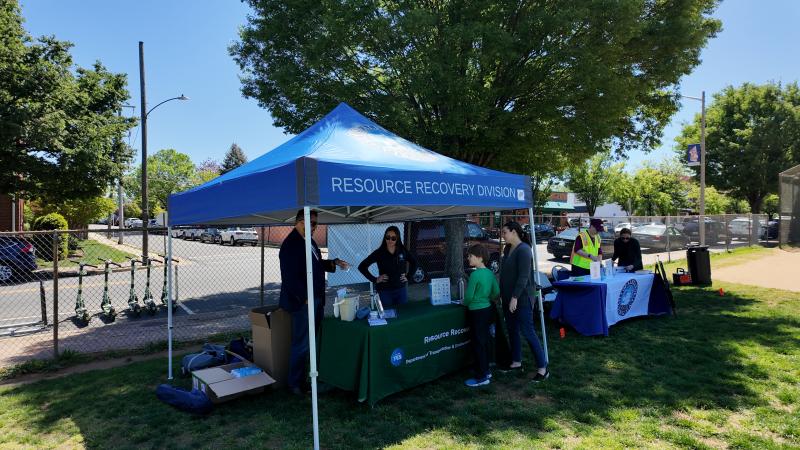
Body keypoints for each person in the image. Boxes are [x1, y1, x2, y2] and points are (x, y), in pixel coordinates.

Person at [279, 209, 349, 396]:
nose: (314, 227)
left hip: (315, 300)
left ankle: (307, 380)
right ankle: (295, 384)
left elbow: (316, 265)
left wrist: (334, 262)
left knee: (310, 343)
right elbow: (289, 277)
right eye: (311, 223)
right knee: (301, 343)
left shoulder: (308, 241)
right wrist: (304, 299)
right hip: (303, 303)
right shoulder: (290, 244)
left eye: (316, 224)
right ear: (299, 222)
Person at [498, 221, 549, 382]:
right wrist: (502, 295)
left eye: (505, 232)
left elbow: (523, 276)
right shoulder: (507, 249)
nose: (503, 235)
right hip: (507, 298)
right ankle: (516, 361)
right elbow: (505, 274)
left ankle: (542, 368)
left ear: (514, 232)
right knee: (512, 329)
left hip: (522, 299)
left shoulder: (525, 250)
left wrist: (514, 298)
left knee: (528, 332)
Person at [462, 244, 500, 387]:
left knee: (478, 344)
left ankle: (481, 377)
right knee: (483, 342)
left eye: (470, 256)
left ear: (479, 258)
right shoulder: (490, 273)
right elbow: (496, 292)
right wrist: (486, 297)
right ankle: (486, 370)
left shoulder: (475, 274)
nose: (468, 258)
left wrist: (464, 303)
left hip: (476, 312)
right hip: (487, 310)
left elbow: (469, 297)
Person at [357, 226, 418, 307]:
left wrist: (408, 276)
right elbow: (362, 266)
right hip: (384, 291)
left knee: (403, 314)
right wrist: (375, 279)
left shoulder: (403, 251)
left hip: (400, 290)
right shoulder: (379, 253)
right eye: (387, 237)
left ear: (398, 238)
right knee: (387, 315)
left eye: (393, 238)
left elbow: (414, 263)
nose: (390, 240)